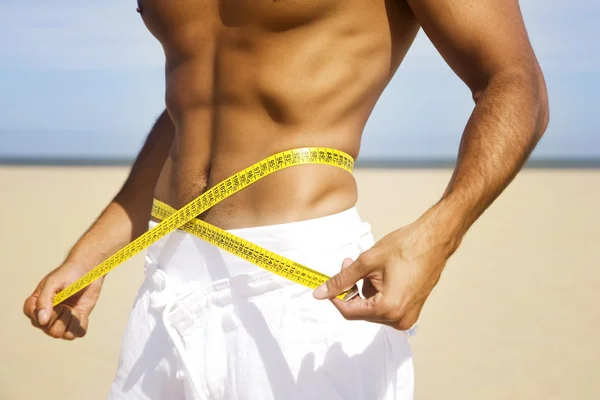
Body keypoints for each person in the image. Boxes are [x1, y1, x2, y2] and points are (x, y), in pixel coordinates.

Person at [23, 0, 549, 399]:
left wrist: (435, 238)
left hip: (306, 285)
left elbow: (514, 79)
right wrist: (95, 249)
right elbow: (198, 98)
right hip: (168, 277)